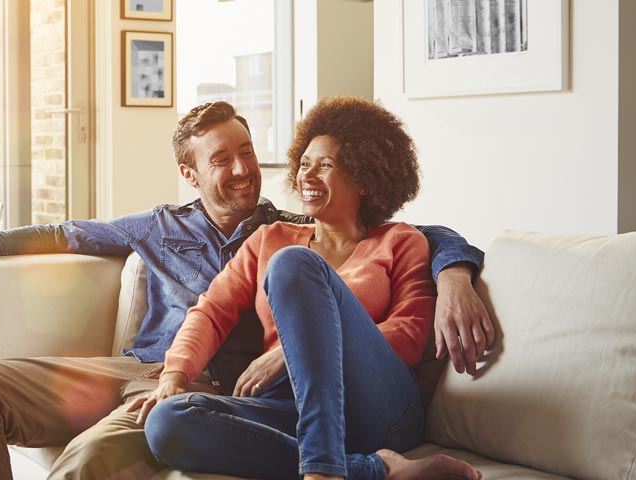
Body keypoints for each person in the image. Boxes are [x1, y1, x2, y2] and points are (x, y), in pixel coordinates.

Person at [0, 100, 492, 479]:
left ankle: (327, 466)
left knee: (91, 459)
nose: (244, 169)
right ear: (190, 173)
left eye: (247, 152)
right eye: (222, 159)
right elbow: (204, 306)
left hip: (239, 382)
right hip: (150, 369)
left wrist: (457, 272)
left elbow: (427, 240)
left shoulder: (320, 235)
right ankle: (373, 470)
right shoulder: (191, 229)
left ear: (364, 176)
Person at [132, 97, 481, 479]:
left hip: (377, 409)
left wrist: (288, 352)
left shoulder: (400, 241)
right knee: (168, 422)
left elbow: (410, 335)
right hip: (292, 406)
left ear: (364, 179)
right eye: (304, 164)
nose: (307, 177)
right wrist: (174, 376)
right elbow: (211, 311)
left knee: (292, 265)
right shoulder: (270, 237)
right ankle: (372, 469)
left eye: (325, 165)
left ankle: (322, 472)